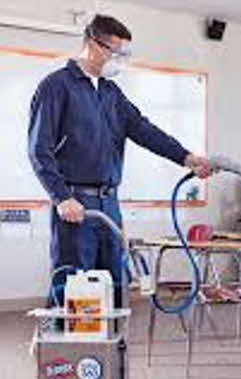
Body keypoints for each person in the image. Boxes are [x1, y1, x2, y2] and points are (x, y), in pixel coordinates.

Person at [27, 14, 212, 308]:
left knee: (113, 279)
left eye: (125, 53)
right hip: (75, 204)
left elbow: (143, 129)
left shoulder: (111, 93)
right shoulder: (57, 86)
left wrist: (186, 157)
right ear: (92, 44)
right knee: (74, 282)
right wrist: (61, 197)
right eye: (116, 52)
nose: (120, 60)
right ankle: (64, 351)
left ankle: (111, 351)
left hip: (109, 204)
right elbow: (39, 149)